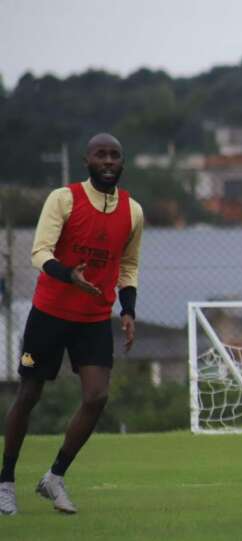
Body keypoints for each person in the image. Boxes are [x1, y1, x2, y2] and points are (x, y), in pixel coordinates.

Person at [0, 133, 143, 516]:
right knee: (29, 394)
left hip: (94, 319)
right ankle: (5, 481)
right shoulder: (63, 199)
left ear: (122, 163)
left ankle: (54, 477)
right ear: (87, 160)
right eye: (101, 155)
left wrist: (127, 310)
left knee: (97, 396)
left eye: (115, 155)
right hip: (49, 313)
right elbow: (39, 252)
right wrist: (68, 275)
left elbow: (128, 266)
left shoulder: (133, 211)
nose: (108, 161)